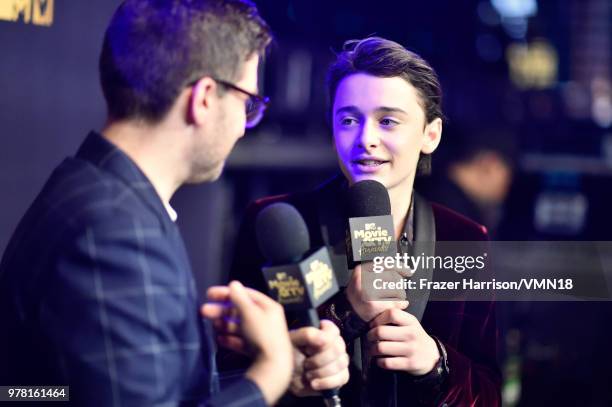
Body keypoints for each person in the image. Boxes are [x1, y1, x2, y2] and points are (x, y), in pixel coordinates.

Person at [0, 1, 348, 405]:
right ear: (203, 98)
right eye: (247, 104)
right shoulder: (116, 230)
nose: (242, 127)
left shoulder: (102, 193)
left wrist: (272, 368)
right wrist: (268, 374)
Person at [230, 37, 501, 406]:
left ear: (430, 134)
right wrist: (346, 312)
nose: (365, 139)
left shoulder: (464, 238)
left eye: (387, 121)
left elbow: (491, 392)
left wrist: (437, 363)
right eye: (349, 119)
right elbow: (234, 369)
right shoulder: (279, 223)